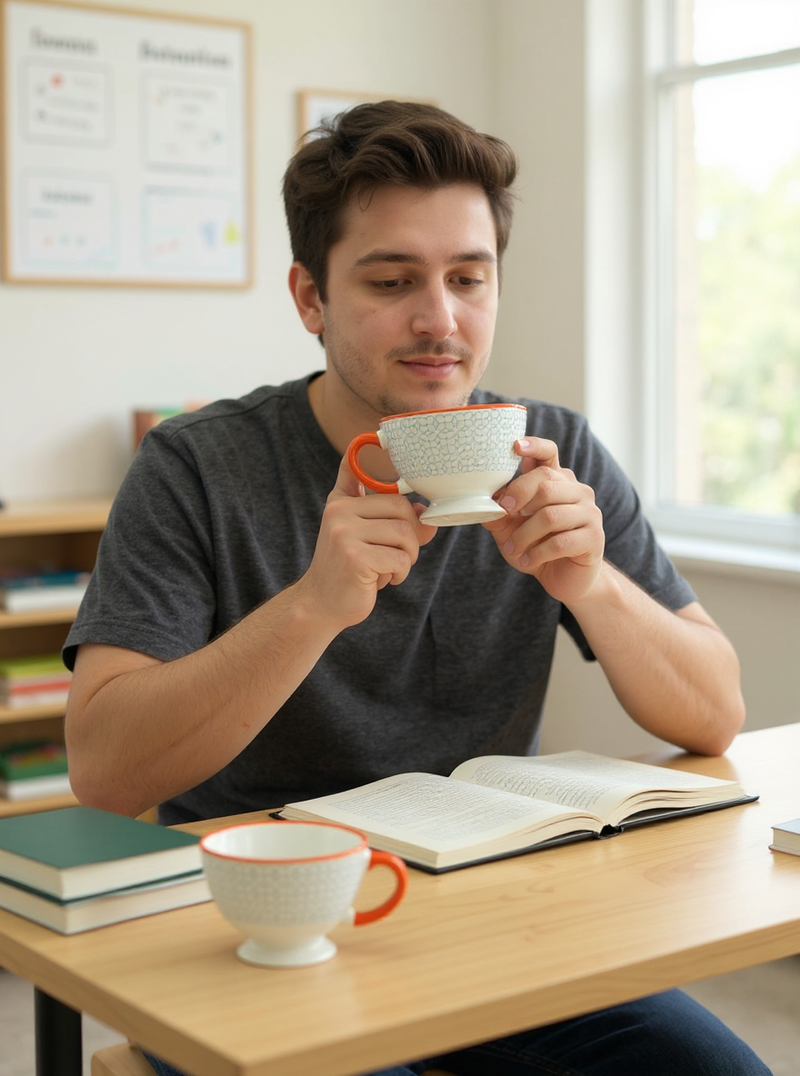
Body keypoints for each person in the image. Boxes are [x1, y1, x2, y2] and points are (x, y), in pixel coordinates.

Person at [63, 101, 769, 1076]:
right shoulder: (195, 466)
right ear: (308, 297)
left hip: (499, 915)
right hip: (264, 926)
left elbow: (713, 712)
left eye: (468, 278)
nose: (439, 320)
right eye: (391, 281)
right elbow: (103, 766)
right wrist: (314, 604)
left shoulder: (551, 451)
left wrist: (591, 582)